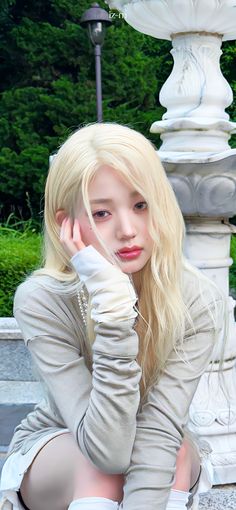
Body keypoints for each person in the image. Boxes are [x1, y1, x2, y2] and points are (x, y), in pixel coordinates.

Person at [0, 123, 225, 510]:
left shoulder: (197, 299)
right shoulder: (42, 300)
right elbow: (107, 451)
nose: (127, 230)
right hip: (61, 446)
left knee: (173, 453)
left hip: (159, 445)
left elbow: (158, 431)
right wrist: (113, 306)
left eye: (141, 205)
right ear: (65, 224)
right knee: (100, 468)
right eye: (102, 213)